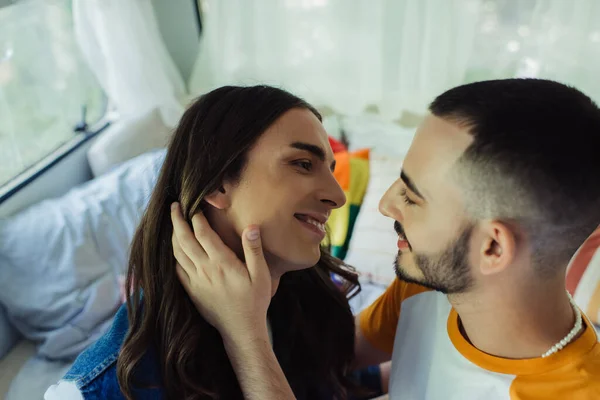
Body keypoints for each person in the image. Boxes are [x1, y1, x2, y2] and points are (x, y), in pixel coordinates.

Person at [176, 78, 600, 399]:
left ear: (492, 247)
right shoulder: (424, 288)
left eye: (412, 198)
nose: (383, 205)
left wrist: (243, 334)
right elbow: (330, 357)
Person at [44, 85, 365, 400]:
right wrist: (247, 340)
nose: (337, 196)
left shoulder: (299, 299)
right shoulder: (105, 389)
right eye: (303, 164)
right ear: (216, 184)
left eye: (331, 170)